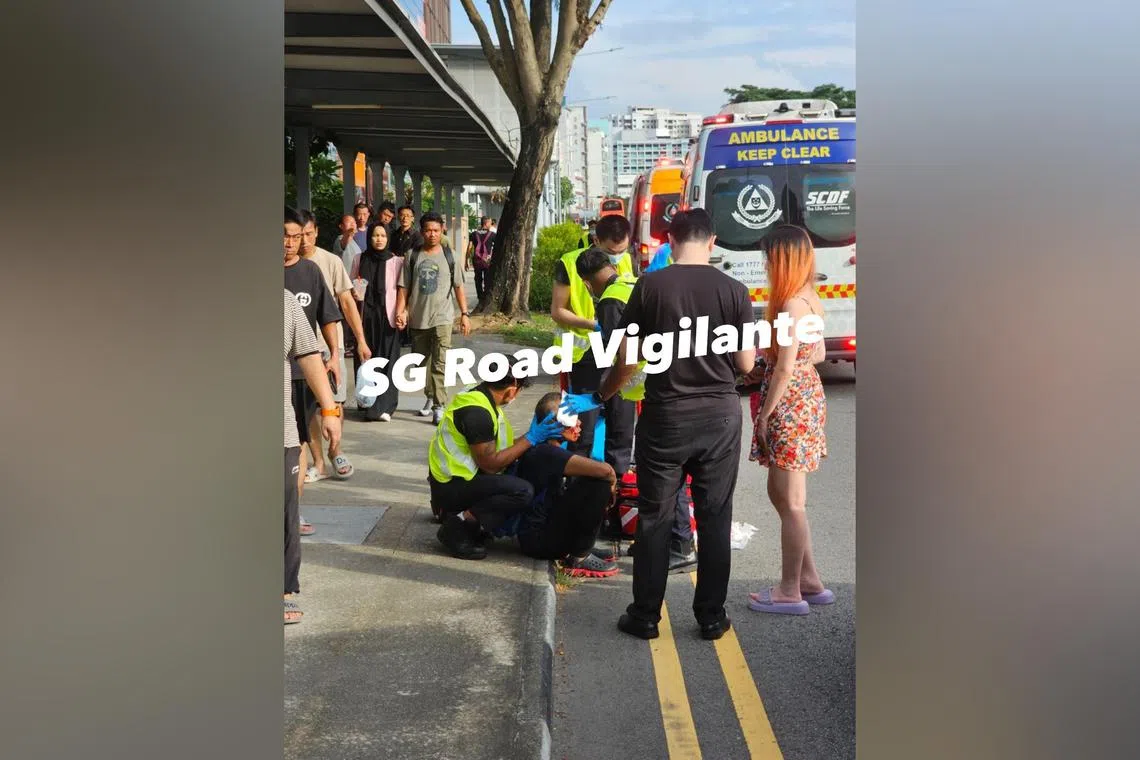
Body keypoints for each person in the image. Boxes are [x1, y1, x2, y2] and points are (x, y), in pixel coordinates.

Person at [561, 209, 755, 642]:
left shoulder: (650, 286)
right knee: (715, 516)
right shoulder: (735, 291)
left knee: (655, 516)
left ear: (671, 239)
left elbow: (627, 359)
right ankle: (711, 617)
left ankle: (645, 615)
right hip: (720, 417)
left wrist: (601, 395)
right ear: (712, 241)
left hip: (666, 416)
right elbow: (744, 363)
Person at [575, 248, 697, 572]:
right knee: (664, 467)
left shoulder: (609, 301)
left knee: (634, 458)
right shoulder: (632, 283)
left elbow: (620, 357)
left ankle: (671, 541)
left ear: (587, 283)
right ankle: (669, 539)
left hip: (638, 390)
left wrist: (601, 395)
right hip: (665, 383)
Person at [744, 225, 831, 616]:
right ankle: (809, 580)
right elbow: (820, 354)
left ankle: (789, 590)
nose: (765, 265)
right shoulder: (809, 298)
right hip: (806, 399)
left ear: (781, 261)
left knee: (791, 501)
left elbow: (784, 370)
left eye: (768, 258)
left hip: (790, 405)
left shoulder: (791, 305)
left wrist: (765, 414)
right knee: (782, 496)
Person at [427, 370, 565, 559]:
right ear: (511, 390)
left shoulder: (482, 398)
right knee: (521, 491)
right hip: (451, 486)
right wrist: (531, 438)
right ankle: (457, 527)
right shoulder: (477, 413)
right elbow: (491, 465)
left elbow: (502, 449)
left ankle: (473, 523)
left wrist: (530, 438)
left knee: (520, 473)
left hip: (459, 480)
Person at [549, 214, 636, 461]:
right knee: (581, 426)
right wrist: (595, 325)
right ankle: (578, 477)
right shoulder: (570, 263)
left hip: (618, 352)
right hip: (584, 353)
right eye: (610, 251)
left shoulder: (629, 261)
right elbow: (558, 311)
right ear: (596, 240)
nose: (617, 258)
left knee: (622, 422)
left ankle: (615, 479)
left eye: (622, 250)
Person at [512, 392, 621, 577]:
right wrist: (611, 482)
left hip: (542, 531)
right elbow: (606, 471)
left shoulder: (544, 447)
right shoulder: (546, 452)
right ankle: (579, 556)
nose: (579, 424)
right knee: (600, 483)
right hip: (539, 541)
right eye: (574, 421)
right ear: (556, 423)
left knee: (588, 479)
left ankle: (579, 546)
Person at [283, 288, 342, 624]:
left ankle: (283, 589)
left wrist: (330, 410)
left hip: (279, 429)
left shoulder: (284, 301)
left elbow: (307, 355)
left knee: (283, 509)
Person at [299, 209, 371, 481]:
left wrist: (361, 340)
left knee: (334, 403)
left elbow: (347, 302)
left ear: (316, 232)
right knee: (309, 407)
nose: (303, 240)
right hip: (299, 348)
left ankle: (335, 449)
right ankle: (317, 462)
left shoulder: (330, 261)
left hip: (329, 344)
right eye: (298, 235)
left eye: (308, 234)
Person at [283, 206, 341, 536]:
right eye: (284, 236)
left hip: (303, 375)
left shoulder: (311, 272)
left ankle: (293, 512)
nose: (289, 243)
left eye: (295, 236)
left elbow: (327, 318)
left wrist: (334, 355)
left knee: (298, 444)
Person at [395, 211, 471, 424]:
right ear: (421, 231)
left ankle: (439, 404)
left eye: (436, 230)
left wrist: (464, 314)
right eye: (428, 230)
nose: (432, 234)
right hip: (419, 318)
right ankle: (431, 395)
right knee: (422, 363)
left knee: (440, 362)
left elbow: (458, 287)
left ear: (442, 230)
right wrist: (401, 311)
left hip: (443, 318)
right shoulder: (412, 255)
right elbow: (404, 287)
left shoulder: (451, 256)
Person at [354, 222, 404, 422]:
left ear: (388, 238)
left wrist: (403, 311)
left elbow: (402, 290)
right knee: (367, 360)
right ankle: (367, 403)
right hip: (365, 317)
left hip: (387, 316)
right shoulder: (360, 259)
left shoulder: (396, 261)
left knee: (388, 361)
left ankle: (385, 406)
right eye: (375, 235)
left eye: (383, 235)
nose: (379, 239)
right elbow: (352, 287)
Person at [466, 216, 496, 302]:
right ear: (486, 223)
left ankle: (480, 297)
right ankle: (486, 297)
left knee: (478, 279)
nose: (491, 224)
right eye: (490, 223)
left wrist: (466, 260)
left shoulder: (474, 234)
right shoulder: (492, 235)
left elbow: (469, 247)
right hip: (487, 261)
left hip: (477, 261)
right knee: (487, 279)